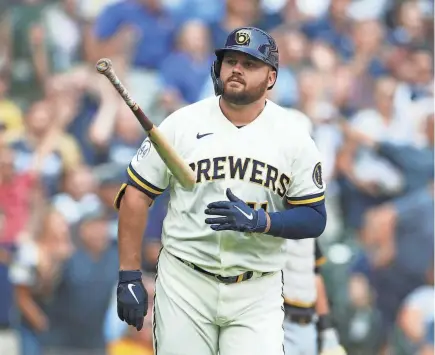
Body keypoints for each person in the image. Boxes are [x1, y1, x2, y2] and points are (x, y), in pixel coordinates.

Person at [115, 27, 327, 355]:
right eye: (231, 60)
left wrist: (262, 221)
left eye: (250, 64)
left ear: (271, 78)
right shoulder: (181, 124)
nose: (237, 69)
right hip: (185, 281)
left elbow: (314, 217)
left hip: (256, 288)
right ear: (218, 68)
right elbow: (136, 194)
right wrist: (128, 275)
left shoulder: (294, 137)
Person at [283, 240, 346, 355]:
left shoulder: (310, 230)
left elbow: (316, 278)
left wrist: (326, 327)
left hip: (309, 324)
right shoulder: (273, 226)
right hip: (282, 324)